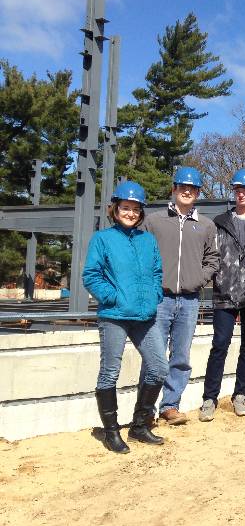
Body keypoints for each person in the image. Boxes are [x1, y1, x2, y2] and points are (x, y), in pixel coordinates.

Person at [83, 181, 168, 453]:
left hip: (145, 315)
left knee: (158, 368)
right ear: (115, 208)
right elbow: (91, 275)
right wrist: (114, 296)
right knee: (110, 371)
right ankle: (111, 431)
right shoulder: (103, 239)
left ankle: (140, 426)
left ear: (141, 212)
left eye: (135, 209)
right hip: (115, 315)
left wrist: (154, 294)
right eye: (125, 208)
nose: (130, 213)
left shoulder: (147, 240)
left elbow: (157, 272)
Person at [141, 166, 219, 426]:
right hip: (159, 299)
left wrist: (197, 280)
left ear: (197, 193)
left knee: (181, 356)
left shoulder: (206, 226)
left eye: (192, 188)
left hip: (189, 300)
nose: (187, 191)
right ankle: (146, 409)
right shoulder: (153, 221)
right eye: (182, 187)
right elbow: (141, 257)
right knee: (153, 355)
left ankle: (170, 405)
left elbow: (213, 259)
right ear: (173, 189)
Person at [199, 169, 245, 422]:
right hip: (224, 293)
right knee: (220, 345)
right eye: (238, 190)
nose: (241, 194)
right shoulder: (220, 222)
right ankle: (209, 397)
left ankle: (241, 394)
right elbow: (210, 254)